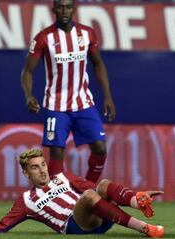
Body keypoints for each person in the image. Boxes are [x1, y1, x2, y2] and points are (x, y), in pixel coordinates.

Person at [0, 148, 164, 237]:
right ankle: (146, 228)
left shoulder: (63, 176)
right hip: (77, 226)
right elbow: (1, 226)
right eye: (34, 167)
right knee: (89, 196)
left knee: (102, 184)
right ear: (26, 174)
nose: (41, 170)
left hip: (101, 216)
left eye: (42, 164)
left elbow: (93, 188)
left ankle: (137, 200)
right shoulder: (26, 200)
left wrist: (127, 194)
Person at [20, 0, 116, 182]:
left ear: (74, 9)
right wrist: (28, 95)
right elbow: (27, 71)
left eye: (68, 6)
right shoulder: (43, 38)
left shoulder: (87, 34)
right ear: (54, 10)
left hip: (83, 103)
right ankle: (58, 199)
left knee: (100, 148)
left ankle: (88, 190)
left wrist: (108, 96)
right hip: (55, 106)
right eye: (60, 7)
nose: (64, 10)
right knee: (56, 153)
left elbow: (98, 64)